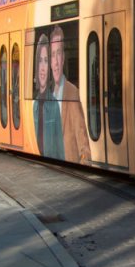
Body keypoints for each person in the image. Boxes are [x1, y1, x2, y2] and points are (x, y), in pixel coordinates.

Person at [50, 25, 91, 164]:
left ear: (63, 59)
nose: (55, 61)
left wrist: (84, 164)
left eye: (59, 54)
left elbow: (82, 139)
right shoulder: (48, 95)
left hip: (69, 163)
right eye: (52, 54)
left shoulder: (71, 92)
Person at [33, 34, 64, 159]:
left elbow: (60, 149)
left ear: (49, 67)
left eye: (46, 61)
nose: (42, 68)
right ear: (36, 65)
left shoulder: (54, 105)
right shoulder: (33, 105)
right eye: (40, 60)